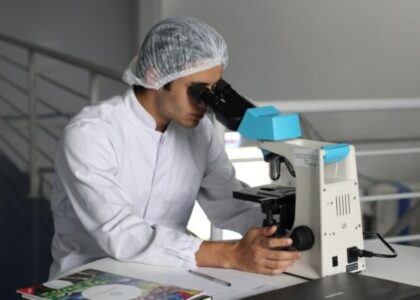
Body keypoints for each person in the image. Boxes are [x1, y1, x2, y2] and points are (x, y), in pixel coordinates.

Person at [49, 16, 301, 280]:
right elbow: (121, 233)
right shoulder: (91, 133)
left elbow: (230, 204)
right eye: (199, 91)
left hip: (167, 275)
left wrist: (282, 233)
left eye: (214, 90)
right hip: (91, 277)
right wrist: (231, 254)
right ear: (155, 76)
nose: (206, 104)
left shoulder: (199, 132)